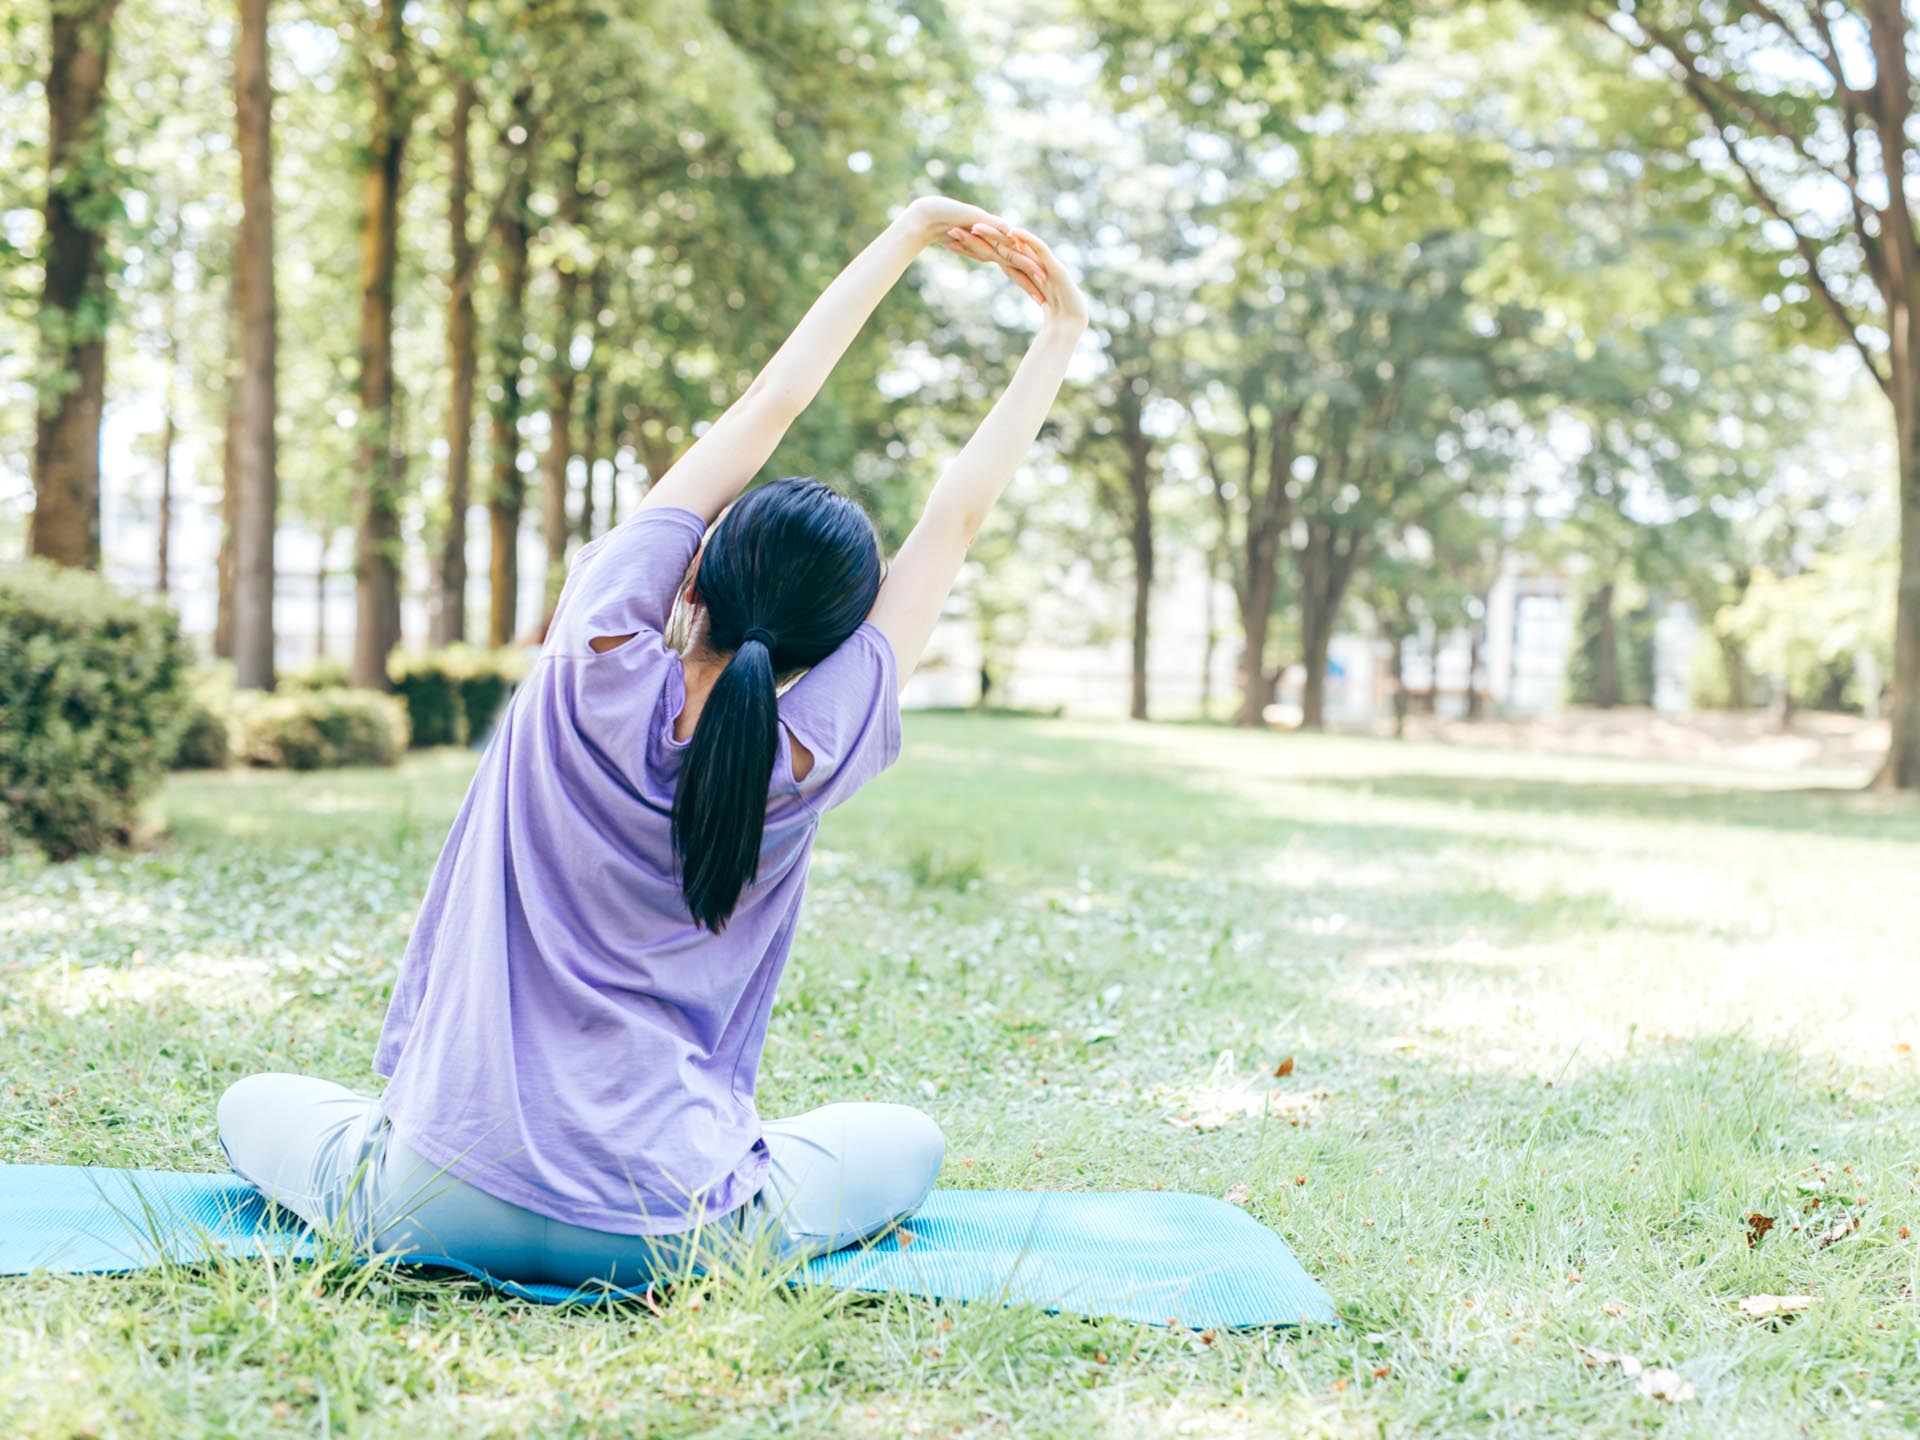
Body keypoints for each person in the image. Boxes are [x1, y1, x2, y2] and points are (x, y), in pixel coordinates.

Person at [215, 195, 1090, 1290]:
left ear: (690, 577)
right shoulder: (812, 749)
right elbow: (954, 520)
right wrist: (1059, 335)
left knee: (250, 1103)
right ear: (830, 652)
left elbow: (773, 402)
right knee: (903, 1139)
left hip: (426, 1200)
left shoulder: (592, 646)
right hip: (678, 1232)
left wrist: (909, 230)